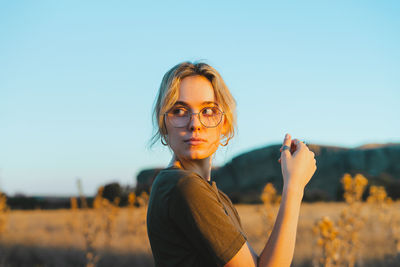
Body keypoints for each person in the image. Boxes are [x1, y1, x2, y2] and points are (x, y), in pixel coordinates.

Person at [146, 61, 317, 267]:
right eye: (180, 111)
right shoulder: (184, 186)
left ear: (225, 124)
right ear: (163, 123)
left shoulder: (208, 193)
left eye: (208, 111)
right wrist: (294, 186)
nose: (195, 124)